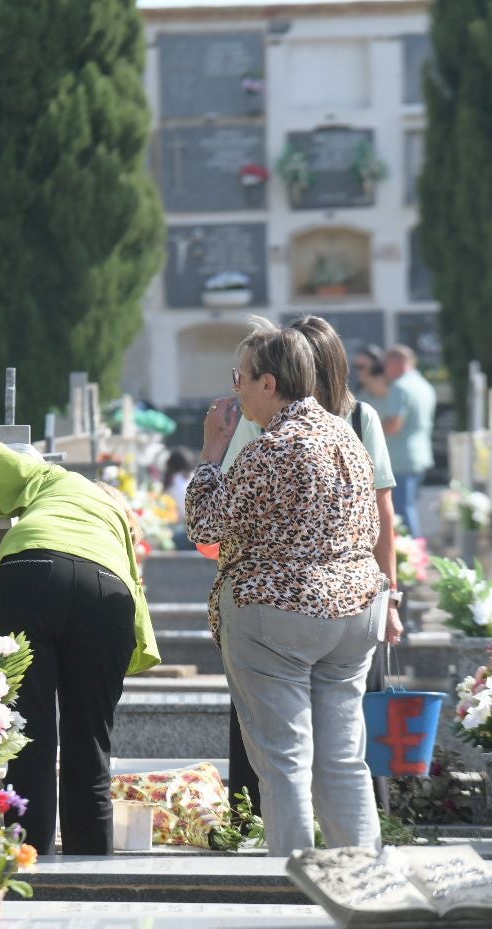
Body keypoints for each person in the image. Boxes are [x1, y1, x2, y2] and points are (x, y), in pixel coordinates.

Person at [186, 322, 385, 856]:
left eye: (242, 378)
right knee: (343, 759)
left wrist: (211, 451)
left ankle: (291, 889)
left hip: (280, 611)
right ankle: (363, 875)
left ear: (269, 384)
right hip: (356, 609)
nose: (237, 389)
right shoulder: (345, 433)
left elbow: (207, 527)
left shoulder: (274, 448)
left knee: (284, 759)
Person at [0, 432, 161, 854]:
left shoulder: (55, 478)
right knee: (90, 741)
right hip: (105, 589)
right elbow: (133, 607)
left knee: (27, 736)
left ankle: (26, 864)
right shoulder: (120, 531)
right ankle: (90, 873)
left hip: (28, 574)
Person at [377, 344, 438, 538]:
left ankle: (414, 557)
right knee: (409, 506)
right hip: (420, 455)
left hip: (401, 458)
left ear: (398, 363)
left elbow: (394, 425)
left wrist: (372, 428)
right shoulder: (424, 385)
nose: (385, 370)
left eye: (387, 364)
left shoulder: (400, 387)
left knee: (403, 510)